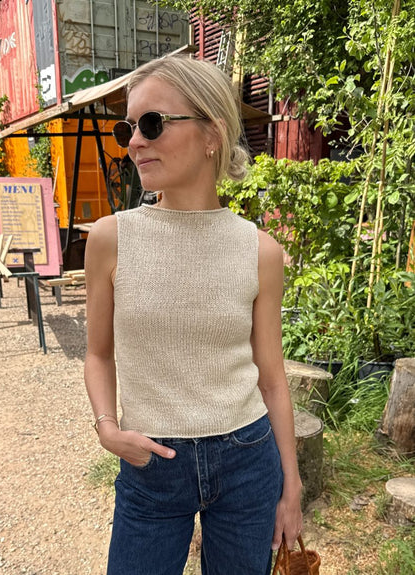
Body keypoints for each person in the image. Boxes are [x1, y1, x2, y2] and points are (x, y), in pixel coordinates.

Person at [84, 54, 303, 575]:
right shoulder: (111, 238)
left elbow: (272, 378)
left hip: (248, 457)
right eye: (128, 129)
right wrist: (107, 427)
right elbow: (97, 354)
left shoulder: (260, 251)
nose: (135, 142)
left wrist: (291, 485)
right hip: (150, 465)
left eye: (152, 123)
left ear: (212, 134)